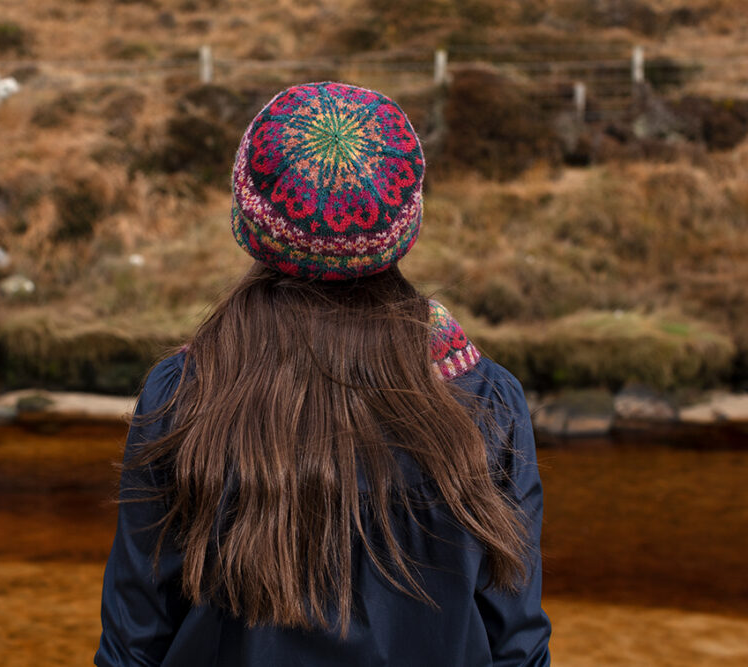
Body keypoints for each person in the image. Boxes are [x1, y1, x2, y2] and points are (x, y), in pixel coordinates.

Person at [95, 81, 551, 666]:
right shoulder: (486, 399)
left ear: (247, 216)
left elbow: (134, 643)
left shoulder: (183, 394)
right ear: (406, 223)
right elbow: (516, 642)